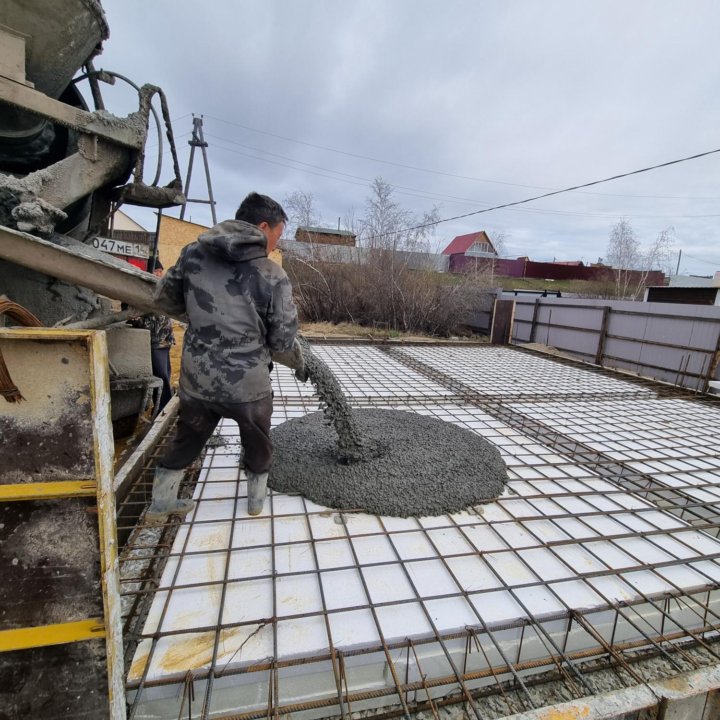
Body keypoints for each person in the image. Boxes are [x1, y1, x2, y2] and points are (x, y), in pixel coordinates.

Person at [146, 192, 306, 520]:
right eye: (278, 232)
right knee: (257, 442)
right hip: (248, 386)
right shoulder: (271, 274)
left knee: (188, 437)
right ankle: (255, 503)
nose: (277, 242)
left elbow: (163, 300)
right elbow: (282, 338)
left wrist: (203, 320)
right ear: (263, 226)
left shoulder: (193, 254)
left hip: (197, 379)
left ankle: (161, 503)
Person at [128, 261, 175, 412]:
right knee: (161, 374)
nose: (159, 274)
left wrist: (139, 322)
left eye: (160, 271)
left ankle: (164, 406)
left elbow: (158, 320)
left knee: (162, 374)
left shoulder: (159, 290)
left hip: (161, 341)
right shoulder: (147, 291)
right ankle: (163, 404)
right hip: (155, 341)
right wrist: (136, 321)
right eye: (156, 271)